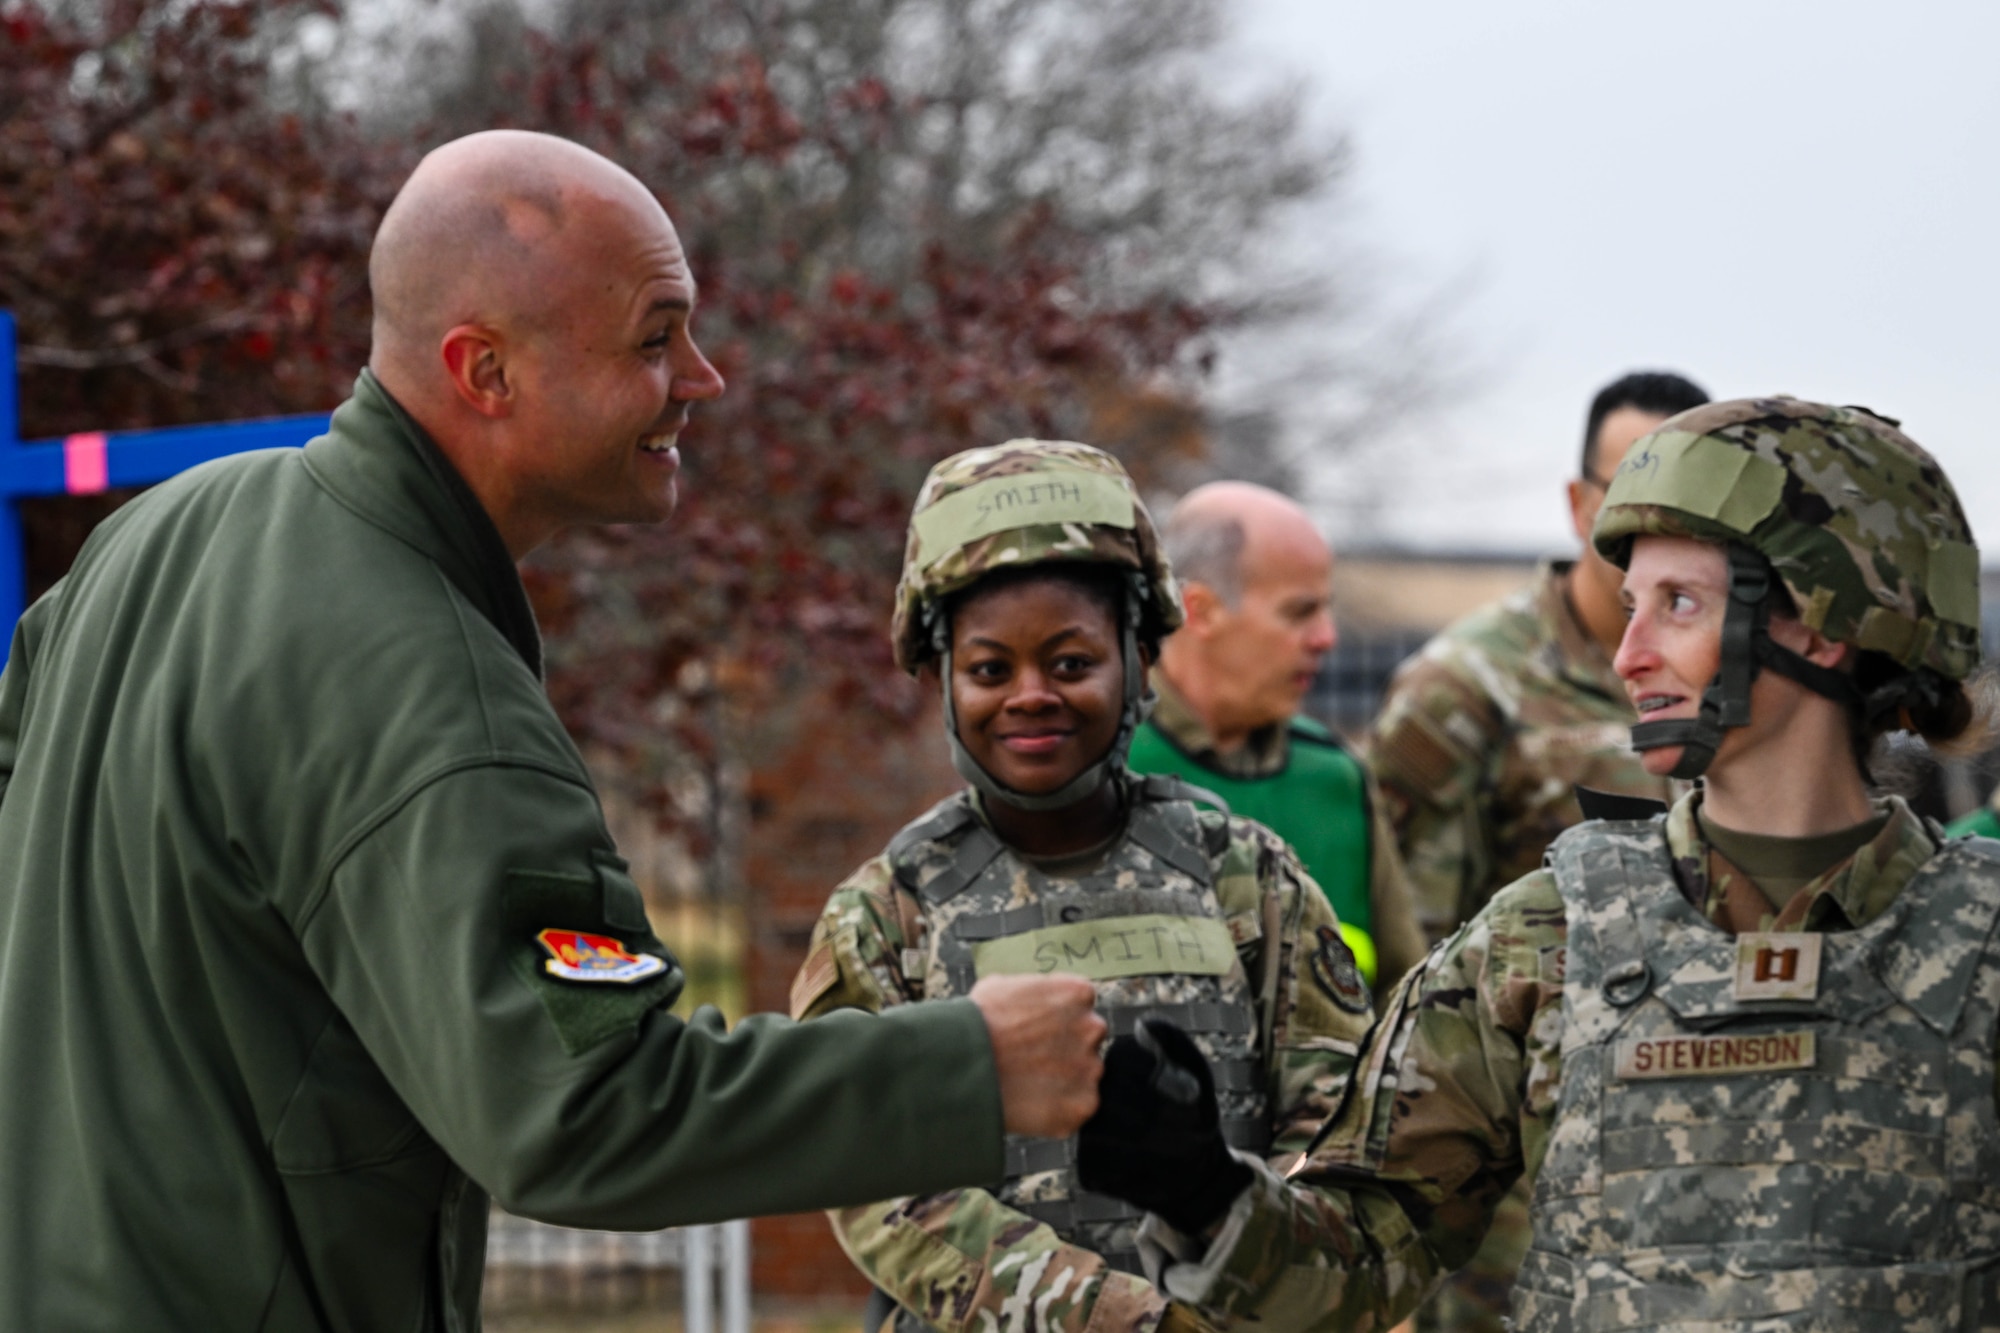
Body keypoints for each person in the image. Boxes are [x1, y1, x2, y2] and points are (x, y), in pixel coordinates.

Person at [0, 130, 1108, 1332]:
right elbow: (587, 1108)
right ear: (485, 371)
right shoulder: (428, 692)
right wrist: (971, 1066)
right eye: (653, 336)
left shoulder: (160, 536)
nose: (702, 376)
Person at [1077, 397, 1999, 1331]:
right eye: (1631, 607)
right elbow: (1364, 1254)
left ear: (1824, 624)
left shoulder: (1982, 939)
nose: (1630, 654)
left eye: (1679, 604)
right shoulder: (1547, 934)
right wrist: (1206, 1195)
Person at [789, 440, 1380, 1333]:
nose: (1031, 695)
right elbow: (880, 1183)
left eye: (1071, 663)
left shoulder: (1246, 878)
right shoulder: (884, 914)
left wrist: (1234, 1253)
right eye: (991, 670)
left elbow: (1336, 1147)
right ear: (939, 677)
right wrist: (1123, 1319)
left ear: (1140, 661)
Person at [1365, 370, 1708, 1333]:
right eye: (1625, 496)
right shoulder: (1466, 689)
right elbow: (1405, 968)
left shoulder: (1739, 693)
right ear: (1575, 503)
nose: (1653, 524)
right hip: (1514, 1204)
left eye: (1687, 501)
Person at [1126, 480, 1426, 998]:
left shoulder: (1335, 777)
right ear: (1201, 611)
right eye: (1299, 612)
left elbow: (1409, 1008)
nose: (1326, 637)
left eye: (1326, 610)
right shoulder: (1108, 767)